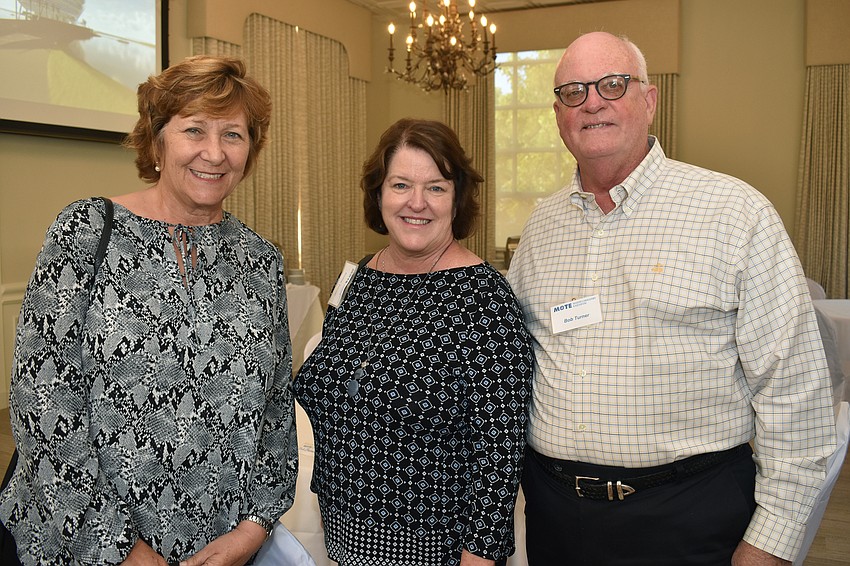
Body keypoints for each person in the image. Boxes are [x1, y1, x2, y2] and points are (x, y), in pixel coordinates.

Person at [507, 31, 837, 566]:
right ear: (558, 114)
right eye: (573, 92)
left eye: (613, 85)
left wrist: (769, 545)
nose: (592, 102)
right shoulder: (542, 227)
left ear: (650, 100)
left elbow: (795, 394)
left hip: (691, 519)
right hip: (555, 518)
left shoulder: (735, 214)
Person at [0, 55, 298, 565]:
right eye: (195, 130)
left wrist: (252, 529)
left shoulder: (260, 260)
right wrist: (121, 549)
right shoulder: (87, 232)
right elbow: (42, 400)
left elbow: (275, 410)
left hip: (217, 546)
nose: (214, 152)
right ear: (157, 140)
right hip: (81, 542)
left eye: (233, 134)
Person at [294, 118, 533, 566]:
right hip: (343, 537)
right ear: (378, 194)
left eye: (436, 187)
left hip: (434, 549)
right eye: (400, 184)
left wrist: (478, 557)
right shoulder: (362, 278)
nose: (416, 203)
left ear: (457, 197)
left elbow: (499, 451)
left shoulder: (483, 298)